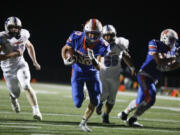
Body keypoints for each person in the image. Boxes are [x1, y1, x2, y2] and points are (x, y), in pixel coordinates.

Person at [117, 29, 180, 127]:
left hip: (153, 78)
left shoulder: (173, 51)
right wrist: (174, 58)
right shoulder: (155, 43)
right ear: (165, 38)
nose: (174, 42)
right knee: (150, 98)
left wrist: (177, 62)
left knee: (141, 99)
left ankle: (124, 114)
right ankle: (132, 119)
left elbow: (171, 66)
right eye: (172, 40)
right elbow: (159, 61)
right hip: (145, 75)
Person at [61, 18, 110, 132]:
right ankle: (82, 93)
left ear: (100, 34)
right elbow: (65, 48)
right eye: (90, 34)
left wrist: (93, 59)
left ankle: (83, 122)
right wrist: (65, 59)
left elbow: (99, 67)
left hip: (93, 74)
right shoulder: (76, 36)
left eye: (95, 34)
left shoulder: (103, 44)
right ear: (85, 32)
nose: (92, 37)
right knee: (77, 103)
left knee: (96, 100)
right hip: (78, 72)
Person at [0, 16, 42, 121]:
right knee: (16, 93)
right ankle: (13, 98)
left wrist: (35, 61)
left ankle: (36, 111)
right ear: (6, 27)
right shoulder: (2, 37)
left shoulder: (24, 34)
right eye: (12, 27)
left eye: (16, 27)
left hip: (20, 65)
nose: (14, 29)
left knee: (26, 85)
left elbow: (29, 46)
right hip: (8, 70)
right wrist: (12, 54)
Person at [95, 25, 137, 124]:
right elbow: (97, 58)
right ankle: (100, 103)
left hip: (115, 74)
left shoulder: (121, 43)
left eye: (110, 35)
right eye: (106, 36)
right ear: (102, 36)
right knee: (104, 94)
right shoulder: (100, 44)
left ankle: (105, 116)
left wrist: (132, 67)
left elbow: (126, 56)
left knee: (112, 99)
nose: (108, 38)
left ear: (114, 35)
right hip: (103, 74)